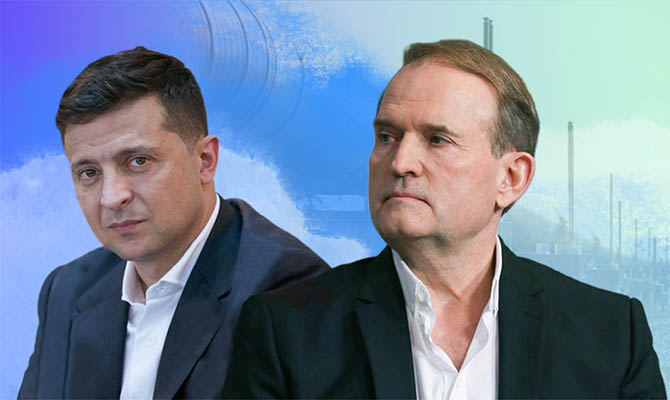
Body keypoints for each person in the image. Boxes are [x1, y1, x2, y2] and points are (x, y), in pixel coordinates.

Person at [223, 39, 666, 399]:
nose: (401, 162)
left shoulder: (610, 334)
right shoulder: (286, 330)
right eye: (387, 136)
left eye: (437, 140)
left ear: (511, 178)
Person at [18, 46, 328, 399]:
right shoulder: (66, 290)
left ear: (205, 160)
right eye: (89, 172)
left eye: (138, 161)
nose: (112, 197)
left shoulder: (292, 290)